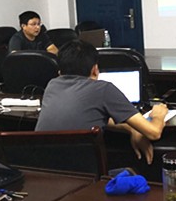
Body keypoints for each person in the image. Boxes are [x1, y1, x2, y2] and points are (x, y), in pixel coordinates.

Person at [35, 40, 168, 164]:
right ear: (95, 69)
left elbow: (89, 116)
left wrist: (131, 127)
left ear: (60, 71)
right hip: (84, 173)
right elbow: (153, 133)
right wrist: (158, 115)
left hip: (41, 169)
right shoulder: (103, 89)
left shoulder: (52, 85)